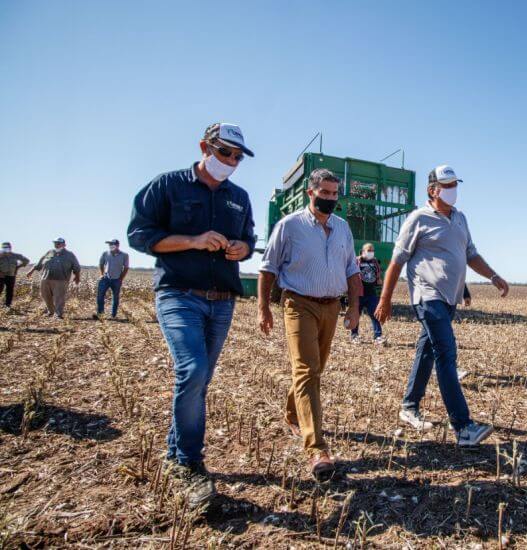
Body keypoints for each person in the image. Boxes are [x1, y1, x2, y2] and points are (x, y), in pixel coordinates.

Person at [127, 122, 256, 509]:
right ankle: (189, 464)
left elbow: (250, 240)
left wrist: (241, 249)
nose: (231, 162)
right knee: (193, 371)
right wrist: (195, 241)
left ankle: (173, 453)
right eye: (224, 153)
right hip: (179, 294)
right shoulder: (167, 186)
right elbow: (139, 235)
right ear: (204, 146)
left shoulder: (240, 197)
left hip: (222, 299)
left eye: (237, 157)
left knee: (199, 380)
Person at [375, 165, 509, 446]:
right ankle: (463, 426)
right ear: (432, 190)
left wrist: (493, 275)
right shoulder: (418, 219)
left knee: (426, 351)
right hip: (427, 295)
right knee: (446, 354)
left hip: (450, 298)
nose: (452, 190)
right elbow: (397, 261)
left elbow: (471, 254)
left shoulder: (460, 218)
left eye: (454, 184)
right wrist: (385, 300)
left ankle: (409, 407)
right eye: (446, 185)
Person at [258, 168, 361, 481]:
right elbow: (268, 267)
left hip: (331, 306)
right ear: (310, 193)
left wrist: (354, 309)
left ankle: (293, 412)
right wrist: (263, 307)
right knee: (305, 370)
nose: (330, 198)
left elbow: (352, 270)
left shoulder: (342, 228)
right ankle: (316, 449)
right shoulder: (289, 226)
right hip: (298, 303)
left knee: (314, 369)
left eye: (334, 194)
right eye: (324, 193)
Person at [26, 238, 80, 319]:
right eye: (55, 243)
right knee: (45, 296)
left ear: (64, 244)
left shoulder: (70, 255)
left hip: (61, 280)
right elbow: (39, 263)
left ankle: (58, 314)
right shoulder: (49, 252)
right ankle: (51, 312)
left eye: (59, 243)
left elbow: (76, 267)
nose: (57, 244)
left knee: (59, 297)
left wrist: (77, 277)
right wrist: (31, 271)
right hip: (46, 278)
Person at [350, 242, 385, 345]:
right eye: (369, 250)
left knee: (375, 314)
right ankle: (354, 335)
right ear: (363, 251)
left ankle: (378, 336)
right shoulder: (357, 261)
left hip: (371, 293)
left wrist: (379, 279)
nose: (371, 252)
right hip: (359, 293)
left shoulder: (375, 262)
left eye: (372, 250)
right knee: (356, 315)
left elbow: (378, 275)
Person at [93, 239, 130, 319]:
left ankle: (113, 315)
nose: (110, 246)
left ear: (117, 245)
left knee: (115, 298)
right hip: (105, 278)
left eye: (112, 244)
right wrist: (102, 274)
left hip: (117, 279)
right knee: (100, 296)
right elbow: (101, 264)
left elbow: (126, 268)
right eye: (109, 244)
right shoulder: (105, 253)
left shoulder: (124, 255)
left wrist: (121, 278)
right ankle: (100, 314)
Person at [0, 242, 29, 309]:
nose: (6, 249)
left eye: (7, 248)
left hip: (11, 275)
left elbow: (26, 260)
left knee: (9, 290)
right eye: (4, 248)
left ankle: (7, 305)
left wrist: (18, 267)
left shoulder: (15, 255)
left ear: (10, 248)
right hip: (1, 276)